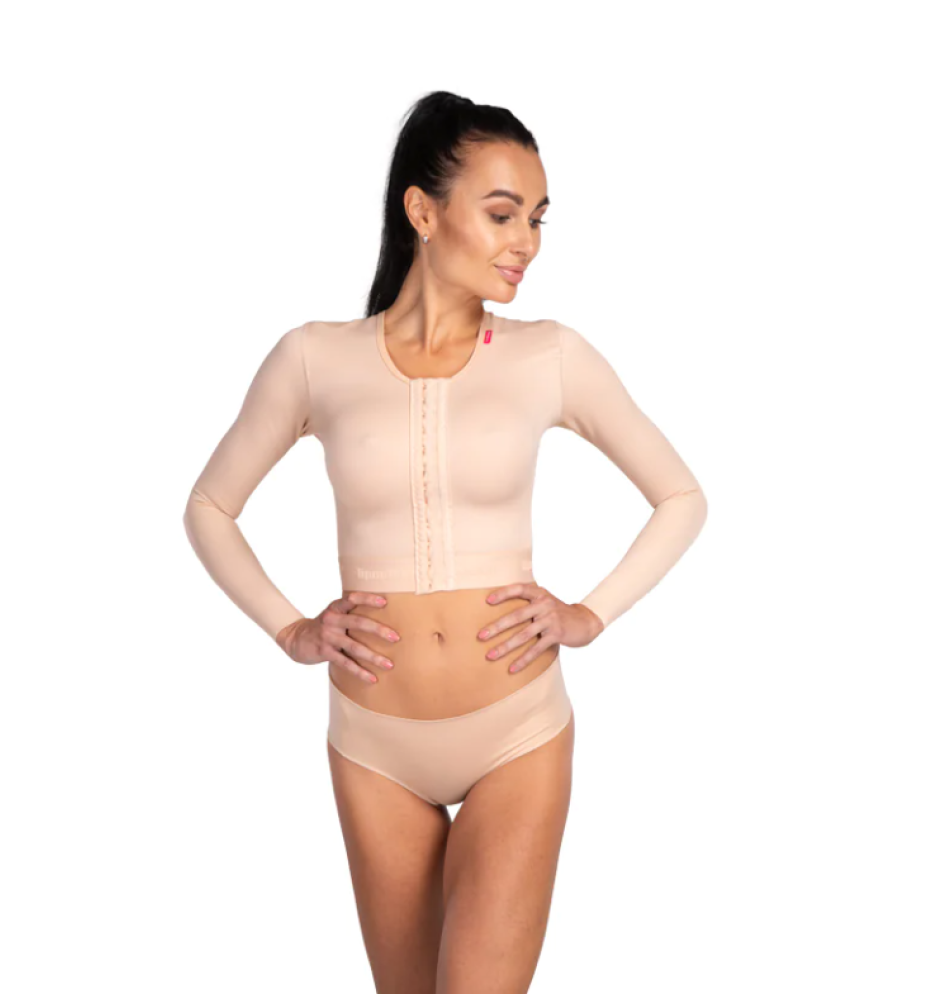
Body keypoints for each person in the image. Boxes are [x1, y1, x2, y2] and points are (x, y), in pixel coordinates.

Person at [183, 90, 708, 993]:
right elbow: (209, 507)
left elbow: (681, 496)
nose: (526, 241)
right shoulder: (315, 357)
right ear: (422, 212)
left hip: (516, 733)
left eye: (537, 218)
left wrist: (590, 614)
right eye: (503, 214)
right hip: (372, 746)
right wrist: (290, 628)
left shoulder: (550, 354)